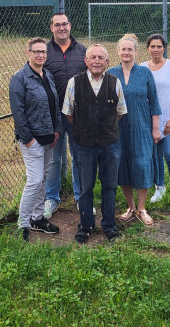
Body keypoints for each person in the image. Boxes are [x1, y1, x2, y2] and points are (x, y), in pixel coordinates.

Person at [61, 44, 127, 243]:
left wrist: (104, 129)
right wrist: (86, 130)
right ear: (86, 61)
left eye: (101, 57)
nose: (96, 61)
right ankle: (86, 225)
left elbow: (120, 112)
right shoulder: (74, 83)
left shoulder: (115, 82)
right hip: (84, 144)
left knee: (109, 185)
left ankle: (109, 225)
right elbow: (69, 114)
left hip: (110, 144)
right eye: (93, 57)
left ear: (107, 62)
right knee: (85, 186)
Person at [8, 37, 62, 241]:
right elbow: (18, 112)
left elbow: (54, 104)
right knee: (34, 180)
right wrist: (27, 138)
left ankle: (37, 218)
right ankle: (23, 224)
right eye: (36, 51)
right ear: (28, 53)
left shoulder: (47, 75)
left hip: (49, 137)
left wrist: (56, 130)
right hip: (32, 140)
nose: (41, 55)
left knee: (44, 178)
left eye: (43, 52)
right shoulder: (19, 78)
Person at [107, 34, 161, 226]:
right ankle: (130, 207)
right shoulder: (111, 74)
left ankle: (142, 208)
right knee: (123, 166)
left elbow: (154, 103)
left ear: (136, 52)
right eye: (123, 49)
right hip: (118, 129)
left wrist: (155, 129)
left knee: (142, 164)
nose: (126, 52)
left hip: (141, 127)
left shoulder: (145, 73)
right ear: (118, 51)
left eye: (130, 49)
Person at [43, 12, 88, 219]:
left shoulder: (82, 50)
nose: (61, 28)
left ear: (70, 26)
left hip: (78, 115)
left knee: (79, 157)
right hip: (54, 115)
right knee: (54, 159)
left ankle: (81, 198)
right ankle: (51, 199)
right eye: (57, 25)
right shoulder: (45, 52)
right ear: (51, 28)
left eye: (65, 24)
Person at [142, 33, 170, 207]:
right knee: (155, 156)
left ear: (164, 48)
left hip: (168, 120)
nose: (156, 49)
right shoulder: (142, 67)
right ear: (148, 48)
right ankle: (159, 188)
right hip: (149, 120)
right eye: (152, 46)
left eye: (159, 46)